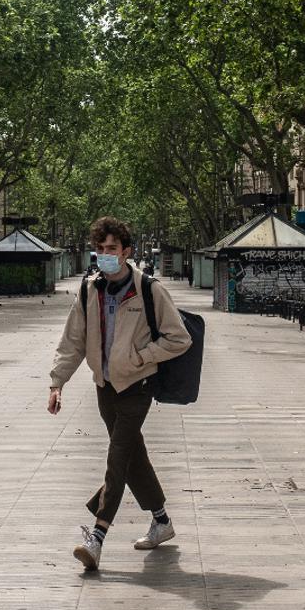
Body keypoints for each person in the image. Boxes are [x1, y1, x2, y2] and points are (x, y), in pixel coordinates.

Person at [48, 216, 193, 570]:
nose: (104, 255)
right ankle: (161, 521)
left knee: (117, 460)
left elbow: (179, 337)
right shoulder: (89, 289)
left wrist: (142, 358)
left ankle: (96, 537)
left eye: (111, 249)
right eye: (99, 249)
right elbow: (73, 342)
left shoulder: (149, 290)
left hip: (137, 387)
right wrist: (57, 383)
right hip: (105, 388)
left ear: (127, 251)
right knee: (131, 459)